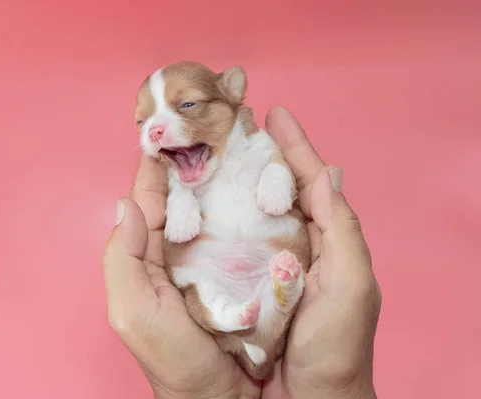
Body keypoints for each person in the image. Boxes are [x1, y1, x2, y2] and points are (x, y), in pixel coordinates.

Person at [102, 106, 382, 399]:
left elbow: (275, 167)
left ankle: (281, 293)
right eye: (142, 121)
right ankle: (229, 314)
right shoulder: (182, 174)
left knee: (274, 283)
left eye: (187, 106)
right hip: (213, 271)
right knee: (205, 291)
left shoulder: (258, 145)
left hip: (264, 263)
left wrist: (275, 177)